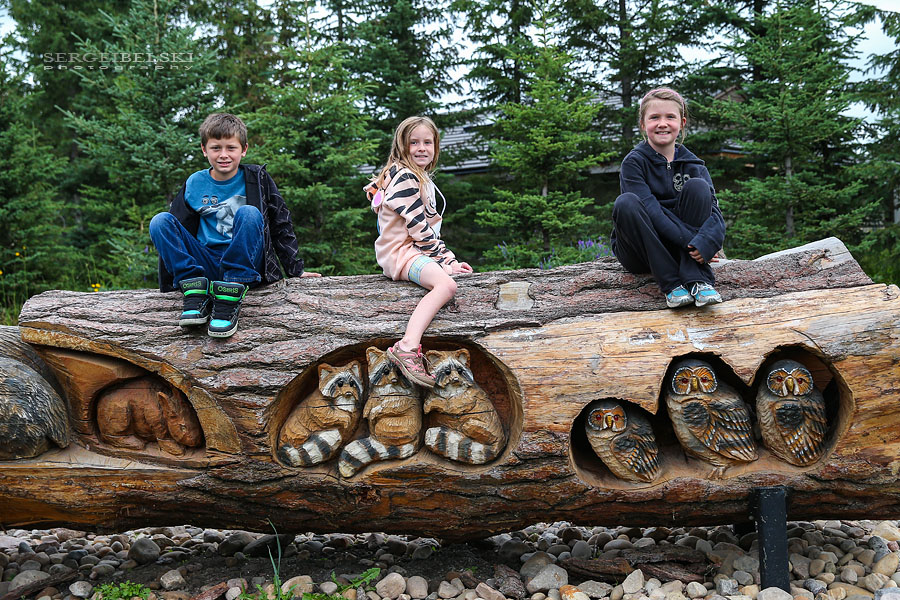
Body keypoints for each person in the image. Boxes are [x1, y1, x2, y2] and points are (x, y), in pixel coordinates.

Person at [149, 113, 320, 338]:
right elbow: (176, 231)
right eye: (216, 148)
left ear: (244, 149)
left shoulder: (257, 179)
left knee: (249, 213)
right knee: (160, 221)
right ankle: (195, 290)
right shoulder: (195, 183)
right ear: (204, 149)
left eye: (231, 148)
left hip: (247, 261)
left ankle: (230, 294)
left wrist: (295, 270)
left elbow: (281, 223)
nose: (223, 155)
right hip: (207, 261)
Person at [365, 116, 472, 388]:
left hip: (412, 251)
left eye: (428, 142)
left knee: (447, 276)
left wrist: (447, 261)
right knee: (446, 286)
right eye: (414, 142)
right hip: (402, 253)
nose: (421, 148)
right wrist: (446, 263)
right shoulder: (406, 179)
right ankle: (407, 346)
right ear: (402, 146)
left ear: (435, 146)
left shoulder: (414, 176)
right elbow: (420, 231)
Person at [611, 88, 725, 308]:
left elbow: (714, 212)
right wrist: (694, 242)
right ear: (643, 125)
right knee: (626, 203)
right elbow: (651, 210)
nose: (662, 123)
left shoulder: (694, 164)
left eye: (670, 117)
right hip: (641, 249)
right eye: (654, 117)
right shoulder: (633, 163)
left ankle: (698, 281)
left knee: (698, 187)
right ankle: (672, 284)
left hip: (683, 246)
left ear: (681, 123)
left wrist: (709, 242)